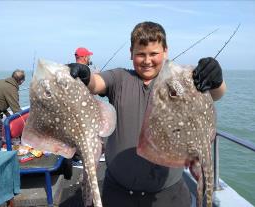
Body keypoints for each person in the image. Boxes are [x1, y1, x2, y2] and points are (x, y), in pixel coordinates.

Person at [69, 21, 226, 207]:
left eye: (154, 54)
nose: (147, 60)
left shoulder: (177, 83)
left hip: (168, 195)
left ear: (165, 51)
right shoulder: (120, 78)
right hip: (119, 192)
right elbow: (96, 83)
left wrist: (216, 80)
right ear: (131, 53)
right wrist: (84, 74)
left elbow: (215, 94)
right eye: (140, 54)